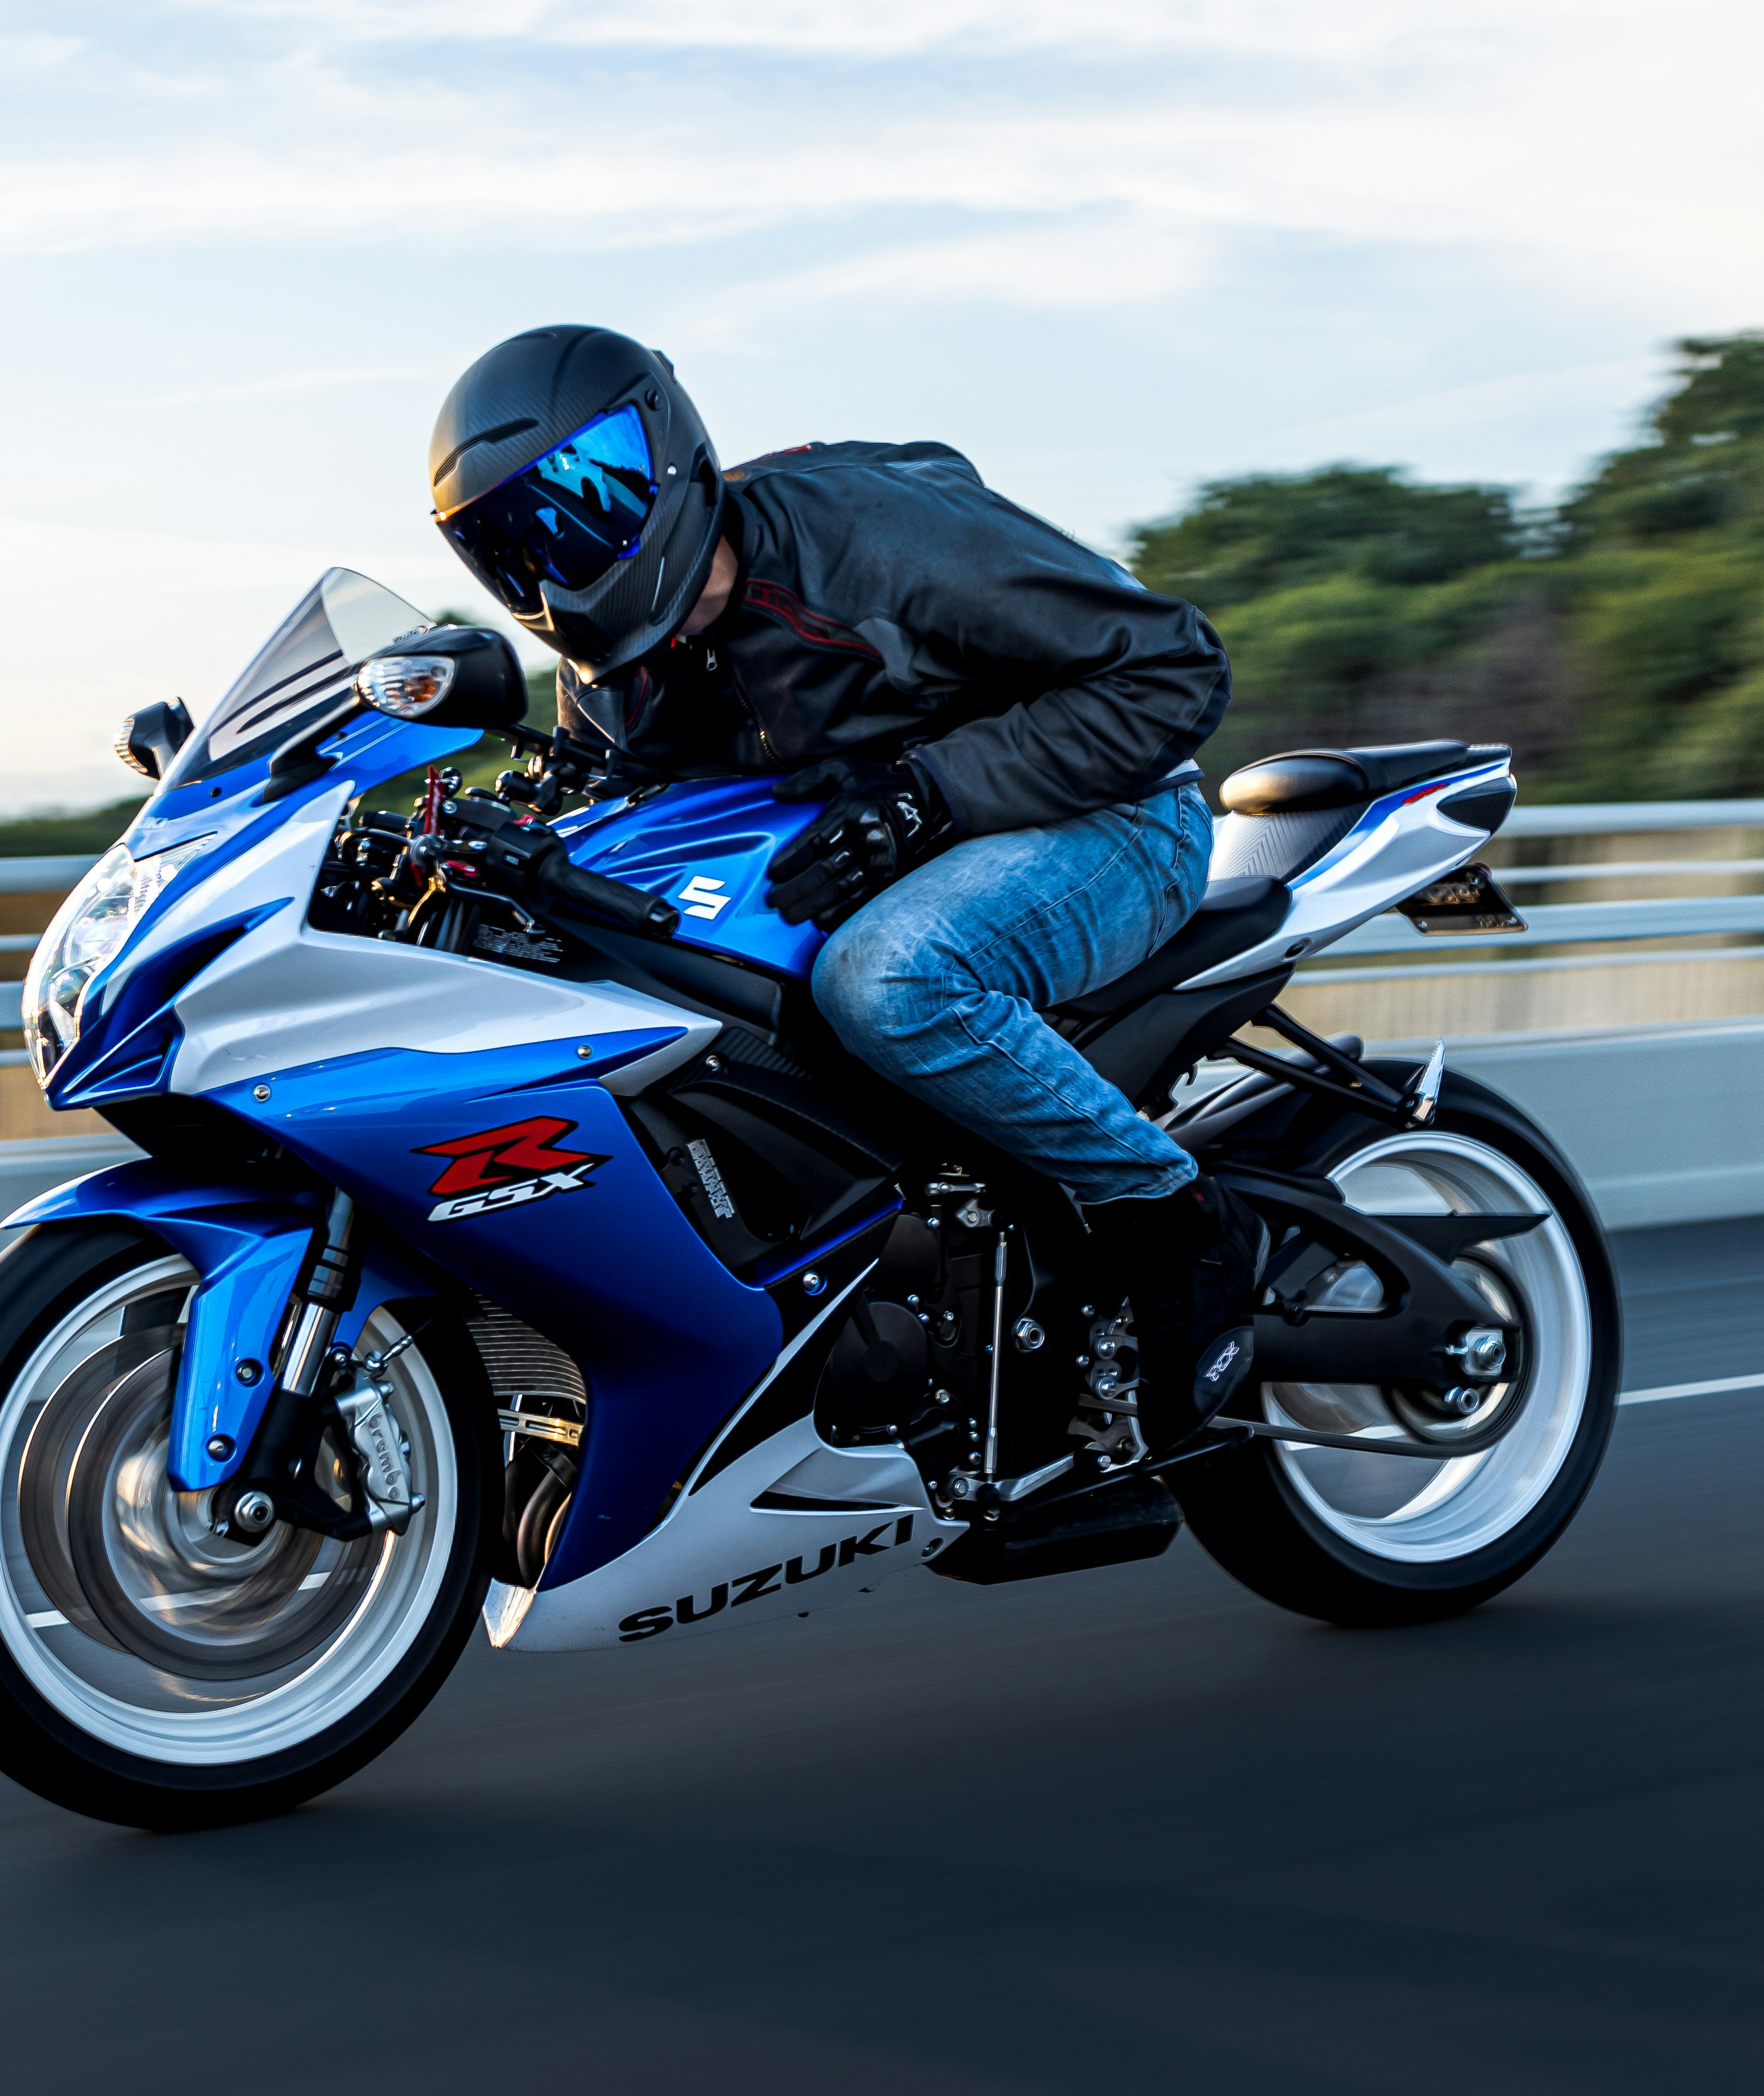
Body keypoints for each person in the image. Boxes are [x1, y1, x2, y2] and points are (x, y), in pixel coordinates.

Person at [427, 321, 1262, 1455]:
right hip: (893, 845)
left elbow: (1169, 669)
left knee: (889, 982)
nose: (557, 554)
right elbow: (615, 808)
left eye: (583, 503)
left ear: (665, 455)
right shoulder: (612, 675)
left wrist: (930, 794)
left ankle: (1171, 1217)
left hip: (1108, 816)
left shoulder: (871, 534)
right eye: (513, 545)